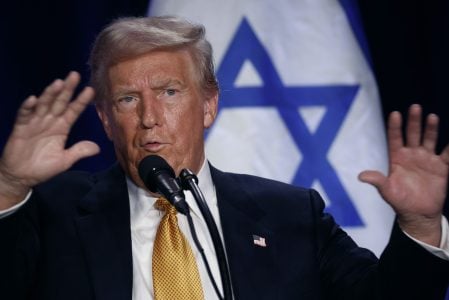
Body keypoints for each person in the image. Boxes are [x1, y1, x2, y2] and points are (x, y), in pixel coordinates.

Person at [0, 16, 448, 300]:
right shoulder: (51, 212)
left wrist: (421, 225)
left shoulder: (291, 215)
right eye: (128, 99)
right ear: (105, 117)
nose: (150, 118)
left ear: (209, 105)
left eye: (169, 93)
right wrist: (8, 187)